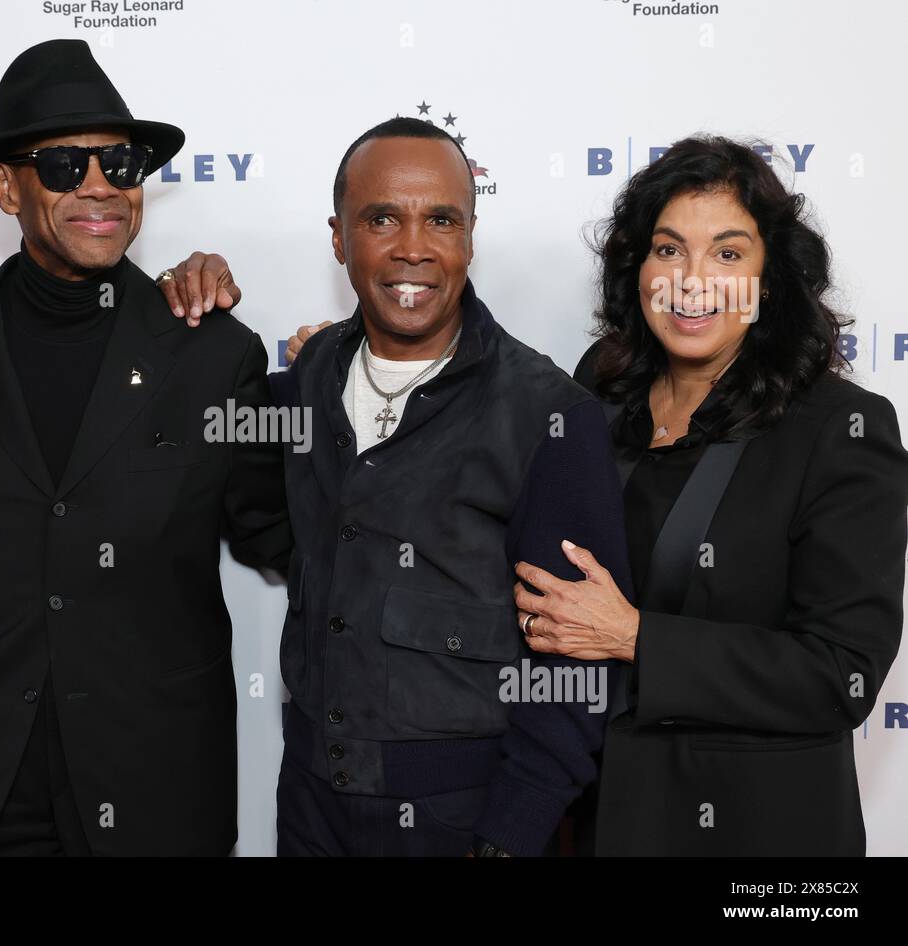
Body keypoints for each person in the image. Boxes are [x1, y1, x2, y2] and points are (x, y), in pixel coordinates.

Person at [161, 117, 633, 856]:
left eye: (440, 220)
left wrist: (508, 838)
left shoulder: (549, 415)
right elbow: (260, 520)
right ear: (339, 237)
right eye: (382, 218)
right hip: (311, 808)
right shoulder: (304, 386)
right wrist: (188, 300)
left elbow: (574, 668)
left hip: (464, 820)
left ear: (470, 237)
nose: (413, 247)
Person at [0, 39, 290, 856]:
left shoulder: (213, 353)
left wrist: (338, 377)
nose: (100, 186)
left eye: (121, 162)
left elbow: (279, 532)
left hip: (157, 787)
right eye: (66, 165)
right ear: (6, 186)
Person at [510, 136, 908, 855]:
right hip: (591, 818)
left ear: (771, 279)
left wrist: (636, 638)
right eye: (668, 250)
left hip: (755, 835)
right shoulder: (600, 388)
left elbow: (840, 673)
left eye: (727, 254)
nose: (691, 280)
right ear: (639, 270)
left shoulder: (840, 429)